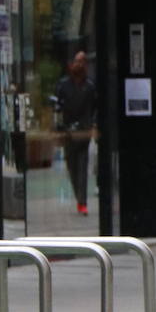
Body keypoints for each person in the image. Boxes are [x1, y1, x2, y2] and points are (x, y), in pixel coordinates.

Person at [55, 50, 97, 215]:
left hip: (83, 132)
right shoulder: (63, 85)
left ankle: (82, 202)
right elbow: (58, 107)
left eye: (82, 61)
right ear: (71, 64)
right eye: (77, 61)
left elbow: (95, 107)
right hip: (68, 132)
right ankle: (79, 197)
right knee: (72, 167)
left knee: (82, 166)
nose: (79, 64)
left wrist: (92, 124)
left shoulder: (90, 86)